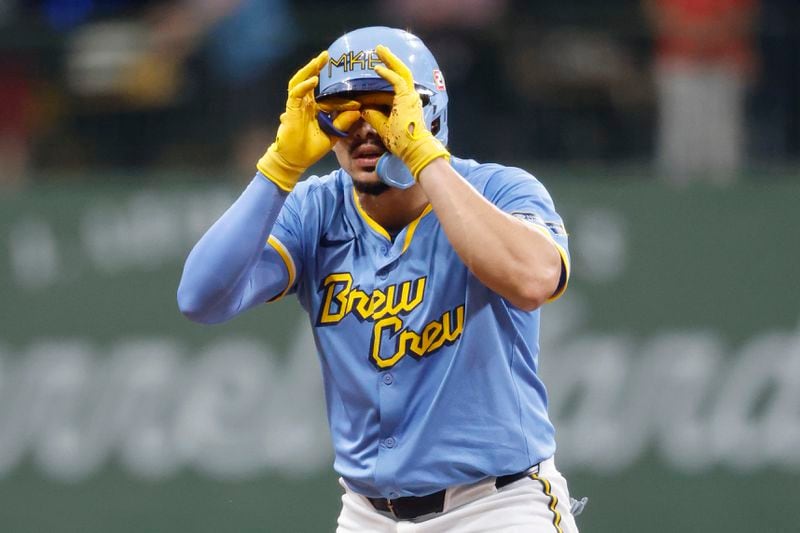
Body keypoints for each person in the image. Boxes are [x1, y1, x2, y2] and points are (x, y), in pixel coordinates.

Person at [178, 26, 582, 532]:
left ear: (426, 110)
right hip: (368, 514)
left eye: (384, 108)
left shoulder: (499, 189)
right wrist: (278, 167)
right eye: (344, 111)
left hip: (496, 507)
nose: (364, 129)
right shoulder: (315, 208)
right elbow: (200, 298)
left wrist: (421, 153)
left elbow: (533, 279)